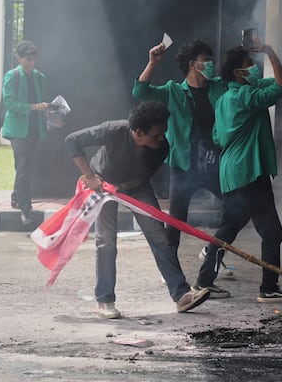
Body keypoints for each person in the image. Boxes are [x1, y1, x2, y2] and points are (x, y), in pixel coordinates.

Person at [64, 100, 210, 319]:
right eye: (156, 135)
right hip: (102, 185)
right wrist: (90, 176)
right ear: (138, 132)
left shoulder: (161, 148)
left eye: (163, 134)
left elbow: (142, 177)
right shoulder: (113, 130)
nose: (161, 139)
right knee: (106, 242)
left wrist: (121, 188)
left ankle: (181, 295)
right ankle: (104, 300)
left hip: (135, 186)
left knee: (159, 237)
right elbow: (72, 140)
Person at [194, 41, 282, 303]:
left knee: (227, 231)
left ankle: (204, 281)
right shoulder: (245, 97)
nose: (254, 69)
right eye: (249, 65)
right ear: (238, 73)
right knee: (272, 233)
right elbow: (279, 87)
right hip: (250, 173)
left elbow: (218, 136)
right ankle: (269, 288)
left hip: (232, 172)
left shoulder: (225, 99)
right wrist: (271, 52)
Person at [132, 38, 233, 298]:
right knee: (174, 224)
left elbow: (246, 90)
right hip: (184, 166)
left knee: (234, 212)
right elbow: (140, 93)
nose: (211, 65)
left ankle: (208, 270)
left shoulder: (218, 88)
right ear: (193, 64)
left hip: (214, 166)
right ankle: (174, 280)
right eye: (206, 61)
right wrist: (152, 62)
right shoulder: (173, 91)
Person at [0, 40, 50, 226]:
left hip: (35, 129)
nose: (32, 63)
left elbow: (44, 102)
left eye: (33, 59)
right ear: (19, 58)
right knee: (22, 168)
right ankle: (25, 208)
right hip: (18, 130)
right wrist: (34, 107)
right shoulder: (12, 76)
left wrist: (52, 114)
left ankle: (16, 197)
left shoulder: (39, 77)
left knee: (26, 166)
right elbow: (10, 104)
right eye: (28, 59)